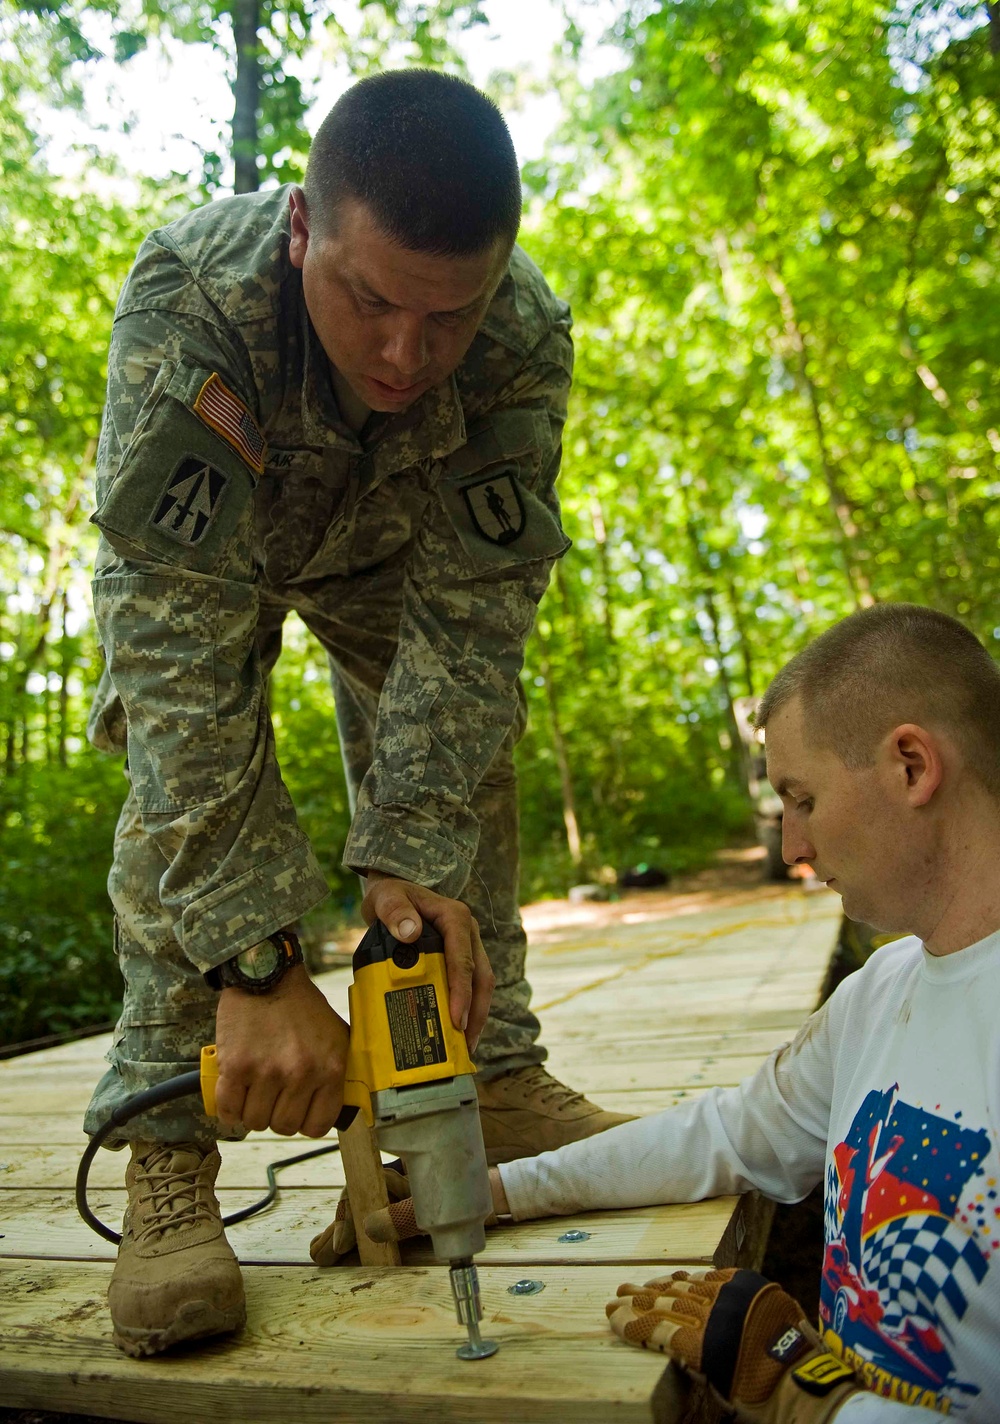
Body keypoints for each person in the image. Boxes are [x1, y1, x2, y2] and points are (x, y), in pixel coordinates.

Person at [84, 68, 630, 1359]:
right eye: (368, 300)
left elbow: (475, 618)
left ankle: (487, 1076)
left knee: (456, 756)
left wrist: (413, 861)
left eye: (448, 317)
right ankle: (167, 1142)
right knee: (184, 763)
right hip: (212, 548)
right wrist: (261, 968)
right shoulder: (198, 299)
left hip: (391, 555)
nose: (404, 354)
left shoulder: (522, 338)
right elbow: (177, 665)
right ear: (300, 233)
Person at [359, 604, 1000, 1420]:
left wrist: (809, 1397)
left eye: (801, 798)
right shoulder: (878, 994)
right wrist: (494, 1190)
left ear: (911, 765)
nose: (794, 848)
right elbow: (727, 1134)